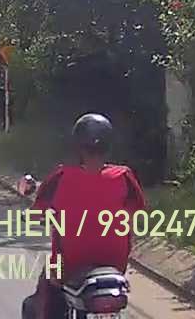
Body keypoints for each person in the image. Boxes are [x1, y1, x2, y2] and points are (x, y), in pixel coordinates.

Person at [24, 113, 147, 319]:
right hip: (115, 263)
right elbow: (136, 209)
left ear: (78, 146)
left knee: (47, 291)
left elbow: (36, 214)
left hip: (68, 263)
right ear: (108, 145)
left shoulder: (61, 176)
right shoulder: (124, 176)